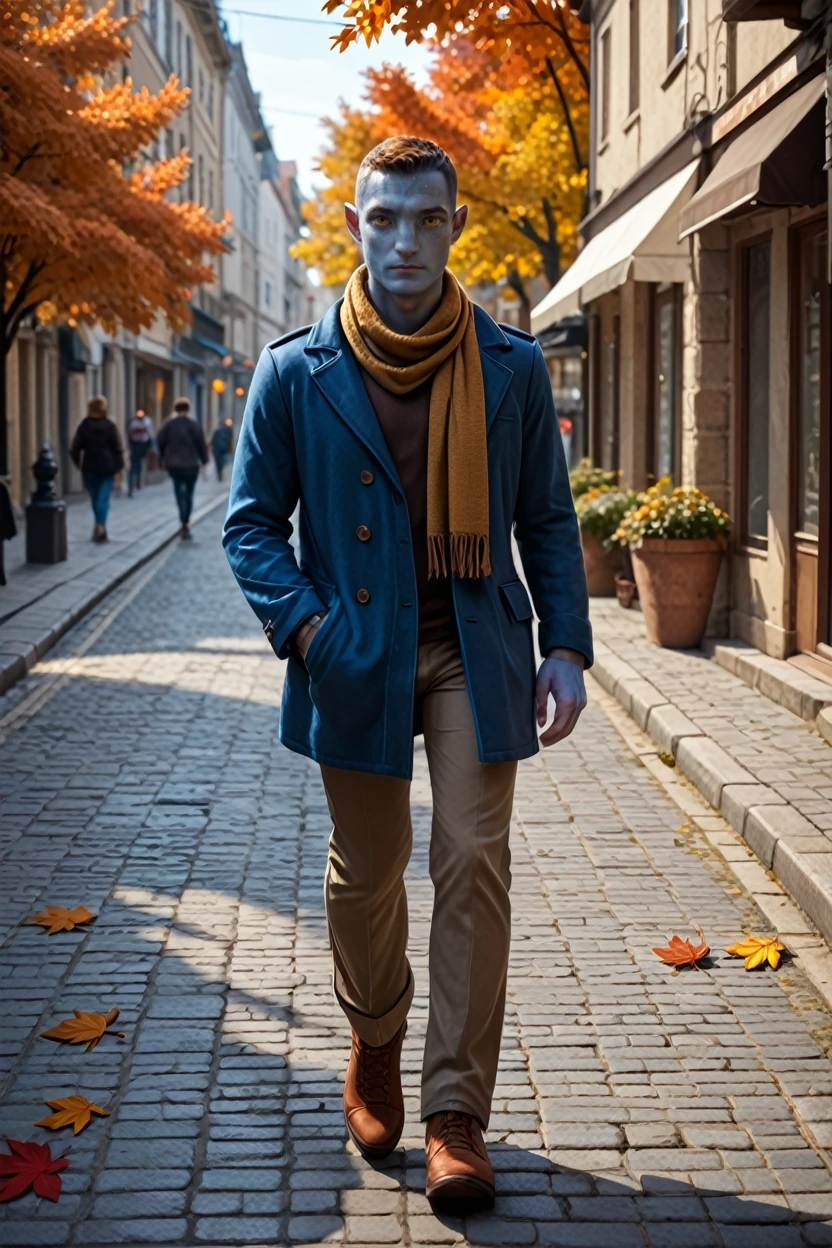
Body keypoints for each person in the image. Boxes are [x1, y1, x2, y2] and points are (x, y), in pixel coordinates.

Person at [223, 137, 591, 1212]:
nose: (404, 241)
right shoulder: (295, 371)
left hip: (473, 648)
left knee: (474, 860)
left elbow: (547, 521)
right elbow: (251, 529)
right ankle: (374, 1034)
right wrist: (310, 631)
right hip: (356, 658)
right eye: (383, 219)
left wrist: (562, 644)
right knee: (366, 872)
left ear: (454, 226)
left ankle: (453, 1115)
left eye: (426, 220)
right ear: (353, 226)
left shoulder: (511, 367)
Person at [70, 395, 124, 542]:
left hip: (90, 466)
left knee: (95, 499)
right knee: (103, 498)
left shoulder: (84, 426)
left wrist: (79, 464)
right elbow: (117, 449)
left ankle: (99, 525)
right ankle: (100, 526)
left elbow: (75, 448)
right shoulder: (110, 426)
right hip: (107, 467)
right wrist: (119, 468)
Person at [156, 396, 209, 539]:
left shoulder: (168, 424)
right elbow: (201, 444)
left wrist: (160, 459)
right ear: (188, 409)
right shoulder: (194, 425)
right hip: (191, 465)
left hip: (174, 464)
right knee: (189, 493)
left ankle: (182, 518)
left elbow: (160, 443)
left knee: (179, 491)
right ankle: (186, 520)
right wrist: (204, 460)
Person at [126, 408, 155, 496]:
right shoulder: (133, 422)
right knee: (134, 467)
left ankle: (139, 483)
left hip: (143, 446)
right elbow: (130, 433)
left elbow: (150, 433)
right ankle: (132, 485)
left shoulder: (147, 421)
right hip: (135, 447)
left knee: (141, 465)